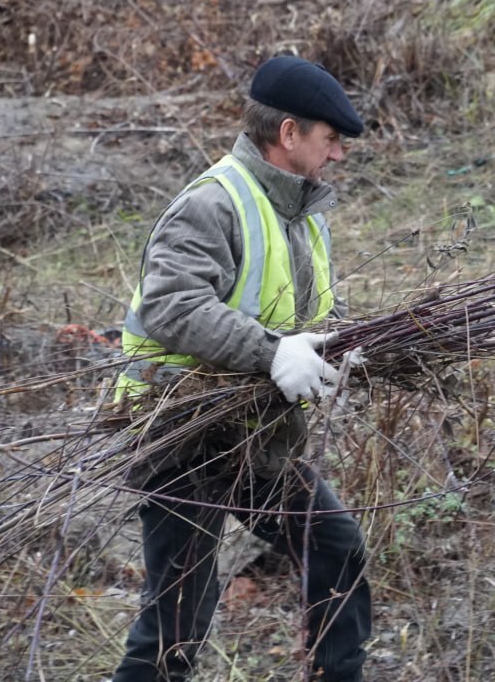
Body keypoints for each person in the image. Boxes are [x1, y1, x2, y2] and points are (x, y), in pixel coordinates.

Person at [110, 56, 371, 682]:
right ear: (288, 134)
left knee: (334, 548)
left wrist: (337, 347)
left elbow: (297, 317)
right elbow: (172, 307)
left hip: (255, 436)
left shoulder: (301, 215)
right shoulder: (213, 203)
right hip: (182, 436)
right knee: (176, 626)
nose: (337, 154)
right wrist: (272, 352)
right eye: (329, 139)